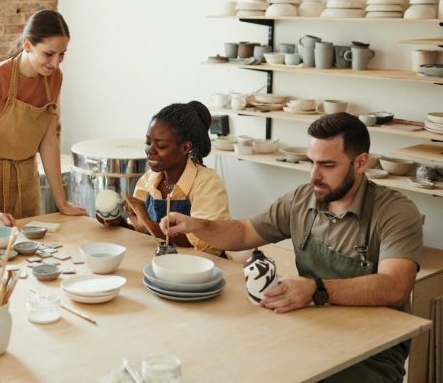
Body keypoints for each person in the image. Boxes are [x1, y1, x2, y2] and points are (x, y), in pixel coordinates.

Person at [164, 112, 423, 382]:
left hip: (373, 348)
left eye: (327, 165)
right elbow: (243, 233)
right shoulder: (303, 200)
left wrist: (316, 289)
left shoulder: (395, 211)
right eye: (311, 162)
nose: (314, 176)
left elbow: (395, 286)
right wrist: (197, 225)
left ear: (360, 163)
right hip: (309, 328)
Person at [0, 10, 86, 229]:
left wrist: (62, 203)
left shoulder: (54, 79)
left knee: (31, 259)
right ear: (27, 46)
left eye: (62, 54)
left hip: (27, 185)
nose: (56, 63)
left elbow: (48, 142)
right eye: (49, 54)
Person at [117, 102, 232, 256]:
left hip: (197, 269)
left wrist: (149, 223)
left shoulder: (208, 183)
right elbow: (140, 231)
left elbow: (207, 244)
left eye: (161, 145)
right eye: (148, 142)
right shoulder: (149, 180)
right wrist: (118, 223)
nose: (150, 150)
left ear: (185, 148)